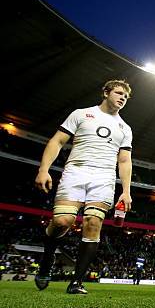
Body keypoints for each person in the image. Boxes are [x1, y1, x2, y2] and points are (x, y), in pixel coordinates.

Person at [34, 80, 133, 294]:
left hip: (104, 176)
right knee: (62, 221)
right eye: (118, 93)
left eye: (125, 96)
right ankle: (47, 260)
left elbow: (124, 161)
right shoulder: (81, 114)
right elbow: (57, 141)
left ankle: (77, 282)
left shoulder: (125, 128)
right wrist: (44, 169)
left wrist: (126, 191)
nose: (122, 98)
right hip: (76, 171)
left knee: (93, 223)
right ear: (106, 92)